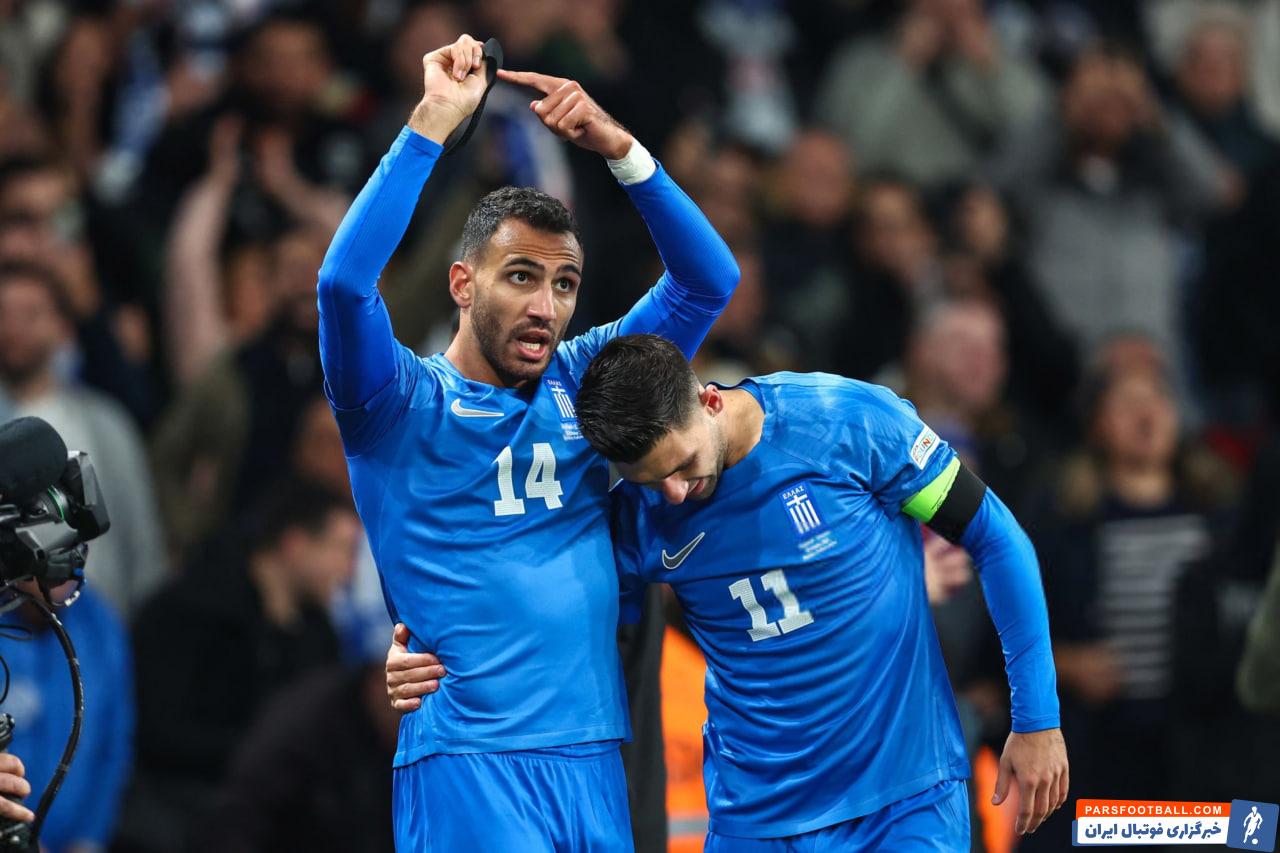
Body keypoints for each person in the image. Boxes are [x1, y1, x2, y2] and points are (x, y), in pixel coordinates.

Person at [391, 332, 1067, 846]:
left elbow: (996, 537)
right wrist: (418, 648)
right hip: (756, 821)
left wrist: (1036, 717)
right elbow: (532, 603)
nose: (674, 492)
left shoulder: (845, 422)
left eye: (682, 464)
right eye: (652, 480)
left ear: (709, 399)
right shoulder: (641, 515)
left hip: (901, 802)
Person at [318, 33, 737, 851]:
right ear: (462, 282)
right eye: (521, 276)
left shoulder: (586, 378)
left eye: (564, 283)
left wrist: (620, 150)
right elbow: (342, 284)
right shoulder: (395, 403)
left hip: (596, 759)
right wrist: (433, 122)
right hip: (472, 761)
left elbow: (708, 281)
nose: (546, 306)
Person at [124, 482, 358, 851]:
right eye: (342, 549)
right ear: (295, 544)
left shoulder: (320, 637)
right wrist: (258, 758)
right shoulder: (188, 612)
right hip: (173, 817)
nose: (349, 571)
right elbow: (155, 730)